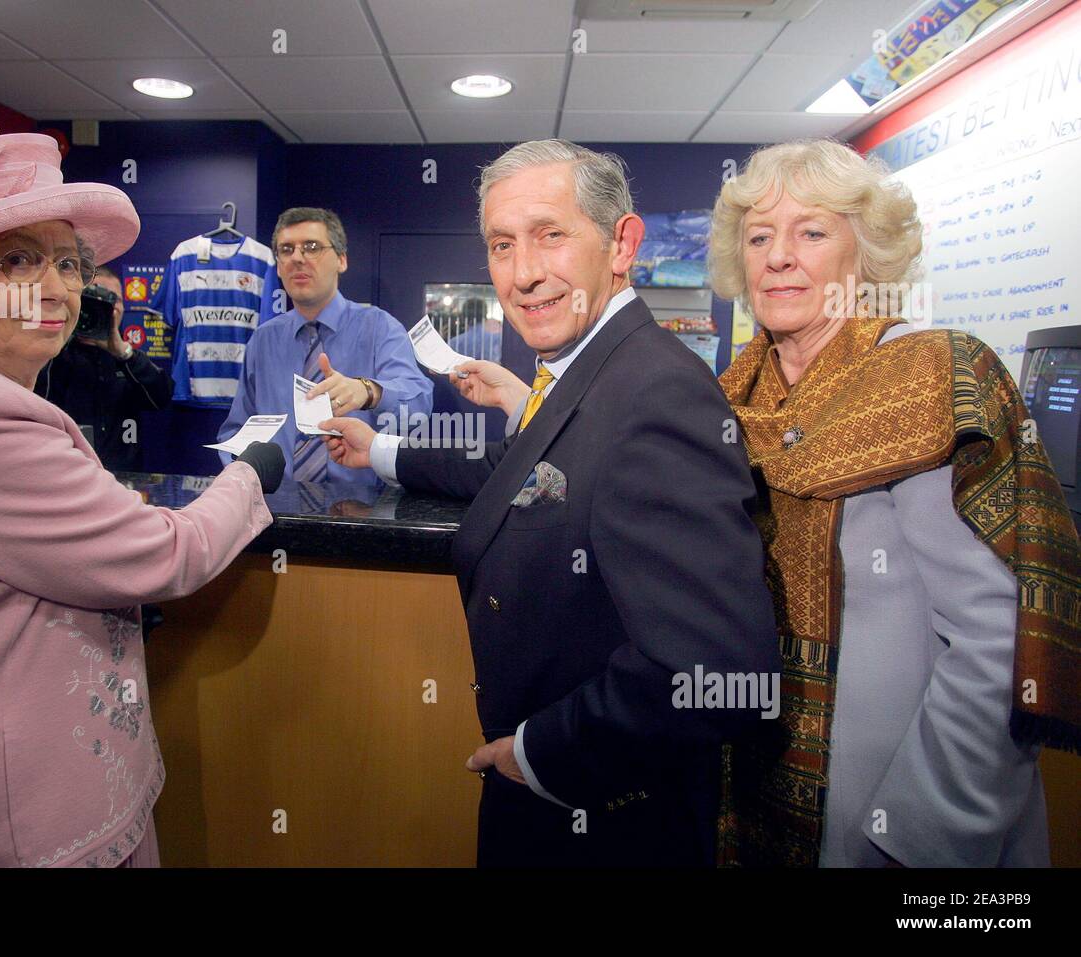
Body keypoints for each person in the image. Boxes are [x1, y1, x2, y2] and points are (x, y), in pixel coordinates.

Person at [0, 94, 284, 868]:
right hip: (12, 821)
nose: (59, 288)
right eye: (19, 260)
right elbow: (165, 555)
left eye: (68, 263)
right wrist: (248, 475)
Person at [322, 140, 779, 867]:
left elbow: (716, 672)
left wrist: (535, 754)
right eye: (503, 245)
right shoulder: (585, 371)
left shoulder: (657, 392)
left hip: (606, 823)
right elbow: (518, 467)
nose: (524, 273)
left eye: (550, 235)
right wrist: (380, 449)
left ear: (622, 244)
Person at [708, 139, 1080, 867]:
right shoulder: (727, 399)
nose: (778, 256)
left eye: (811, 231)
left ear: (866, 254)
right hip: (750, 804)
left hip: (896, 832)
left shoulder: (930, 376)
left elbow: (994, 646)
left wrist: (914, 841)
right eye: (759, 236)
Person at [216, 207, 432, 485]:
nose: (297, 258)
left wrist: (368, 391)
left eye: (312, 247)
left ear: (341, 260)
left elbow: (419, 405)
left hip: (360, 509)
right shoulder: (263, 340)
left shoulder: (379, 328)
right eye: (286, 249)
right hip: (273, 509)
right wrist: (242, 476)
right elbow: (236, 429)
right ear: (279, 266)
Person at [35, 265, 173, 471]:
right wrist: (62, 335)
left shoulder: (129, 360)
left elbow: (160, 398)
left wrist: (122, 352)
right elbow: (33, 399)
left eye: (113, 299)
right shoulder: (54, 355)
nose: (105, 305)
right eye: (93, 297)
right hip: (65, 475)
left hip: (123, 479)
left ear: (123, 307)